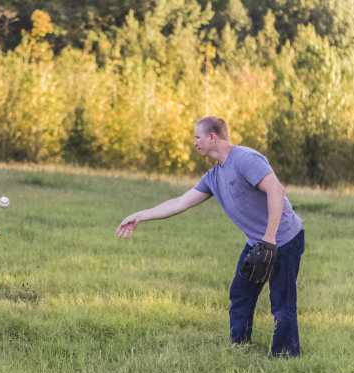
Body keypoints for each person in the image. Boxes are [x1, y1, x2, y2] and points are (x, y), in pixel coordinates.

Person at [116, 116, 304, 357]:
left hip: (285, 238)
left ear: (212, 137)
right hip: (258, 241)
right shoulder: (214, 177)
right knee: (240, 295)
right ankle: (239, 349)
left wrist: (270, 238)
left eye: (197, 137)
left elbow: (276, 190)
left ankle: (285, 358)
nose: (194, 142)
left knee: (281, 303)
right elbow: (179, 203)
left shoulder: (246, 159)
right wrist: (141, 215)